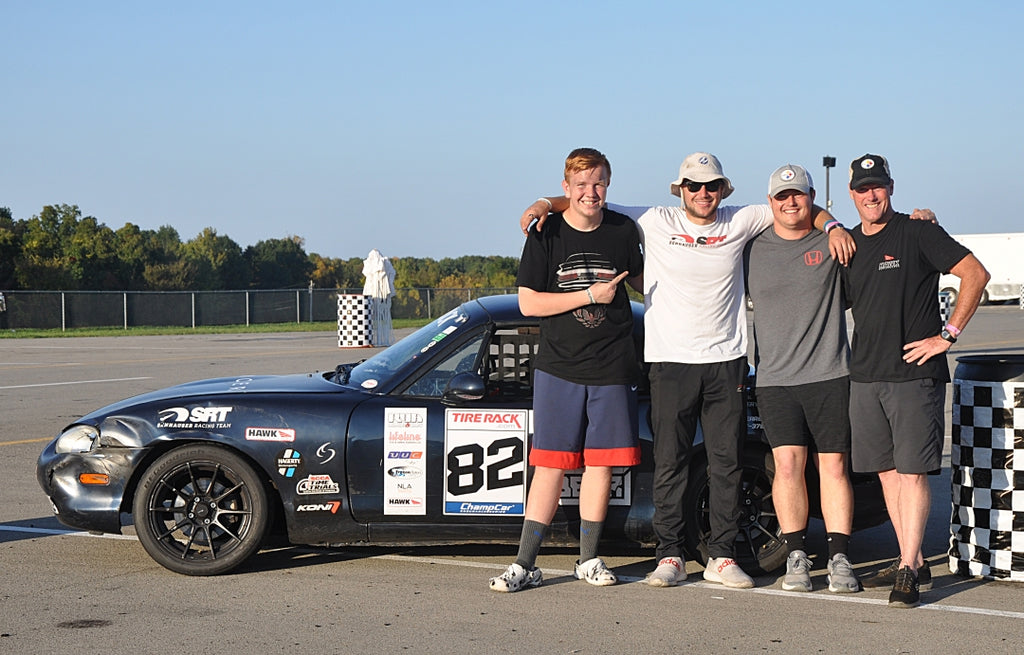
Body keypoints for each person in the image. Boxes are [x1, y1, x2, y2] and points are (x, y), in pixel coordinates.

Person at [520, 152, 853, 589]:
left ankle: (721, 556)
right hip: (669, 361)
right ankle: (670, 555)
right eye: (693, 186)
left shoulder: (742, 219)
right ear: (680, 190)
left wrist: (832, 224)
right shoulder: (653, 219)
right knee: (672, 463)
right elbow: (587, 200)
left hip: (725, 360)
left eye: (711, 186)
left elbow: (795, 205)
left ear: (722, 189)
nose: (702, 193)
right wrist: (545, 203)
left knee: (725, 463)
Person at [490, 147, 644, 592]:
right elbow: (528, 302)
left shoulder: (622, 230)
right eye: (580, 185)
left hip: (613, 367)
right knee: (551, 466)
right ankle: (525, 563)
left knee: (601, 466)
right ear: (565, 188)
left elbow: (646, 280)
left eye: (598, 183)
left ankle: (589, 559)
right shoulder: (545, 231)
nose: (590, 193)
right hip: (559, 367)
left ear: (608, 184)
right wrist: (589, 296)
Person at [842, 153, 990, 608]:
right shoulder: (846, 243)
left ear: (890, 187)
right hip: (865, 376)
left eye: (878, 186)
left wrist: (947, 336)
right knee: (886, 473)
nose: (871, 194)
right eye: (863, 188)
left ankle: (907, 566)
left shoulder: (918, 231)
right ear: (852, 194)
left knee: (911, 474)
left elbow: (975, 274)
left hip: (913, 377)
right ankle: (916, 558)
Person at [744, 164, 860, 593]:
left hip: (830, 374)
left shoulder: (833, 242)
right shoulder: (751, 248)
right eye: (781, 196)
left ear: (812, 197)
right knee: (787, 467)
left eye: (798, 194)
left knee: (833, 466)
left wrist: (833, 225)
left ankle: (840, 558)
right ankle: (796, 557)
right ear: (770, 201)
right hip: (775, 380)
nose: (790, 202)